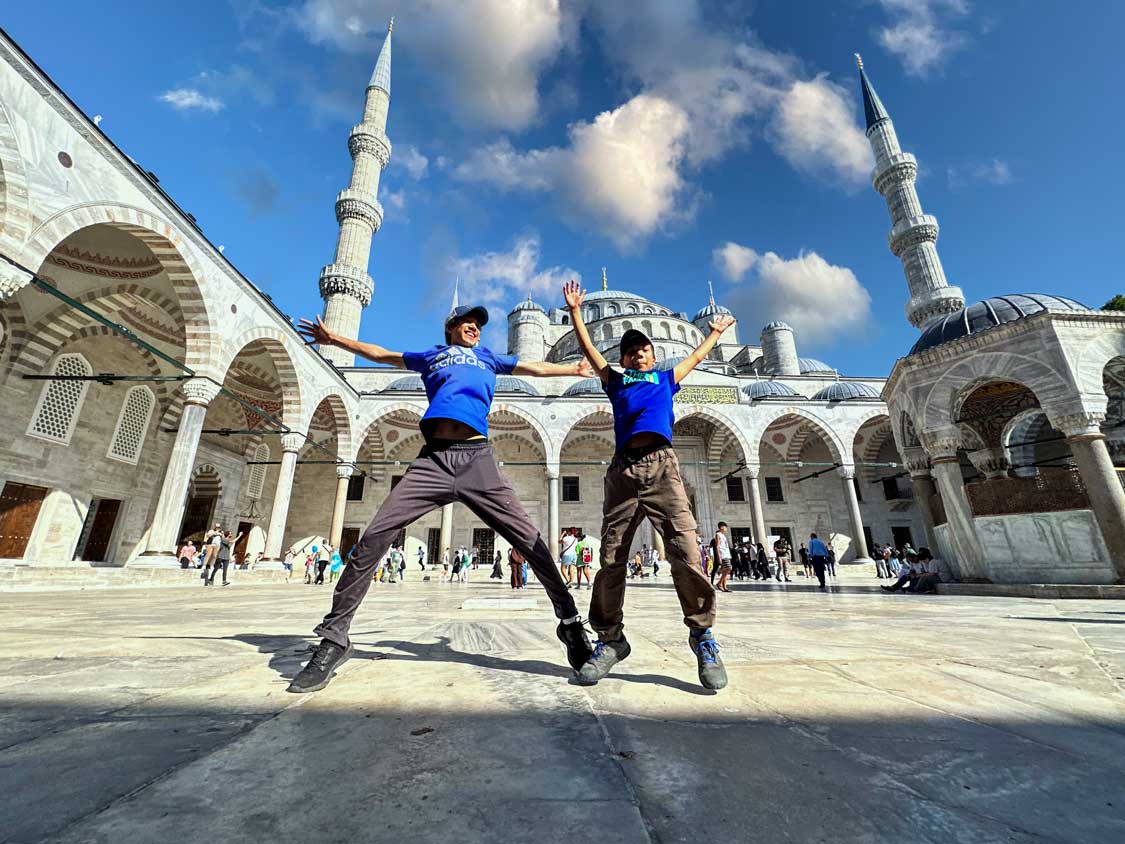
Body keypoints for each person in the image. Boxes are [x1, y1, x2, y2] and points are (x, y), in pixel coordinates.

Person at [288, 307, 594, 693]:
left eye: (480, 325)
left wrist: (572, 371)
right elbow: (382, 355)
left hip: (477, 458)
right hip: (433, 459)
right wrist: (335, 340)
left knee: (532, 542)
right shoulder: (433, 355)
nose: (475, 328)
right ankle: (334, 638)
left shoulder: (488, 358)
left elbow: (534, 369)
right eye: (468, 321)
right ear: (450, 327)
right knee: (373, 539)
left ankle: (571, 627)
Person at [561, 280, 730, 690]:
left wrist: (715, 333)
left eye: (644, 349)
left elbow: (695, 358)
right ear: (624, 358)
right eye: (631, 351)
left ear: (653, 355)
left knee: (687, 551)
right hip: (623, 469)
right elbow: (589, 350)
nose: (638, 354)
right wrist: (576, 313)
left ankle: (703, 635)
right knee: (611, 557)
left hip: (662, 467)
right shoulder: (616, 381)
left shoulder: (667, 377)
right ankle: (611, 639)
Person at [714, 522, 733, 593]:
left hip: (727, 554)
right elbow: (717, 546)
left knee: (725, 571)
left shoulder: (723, 535)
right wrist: (719, 557)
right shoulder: (718, 535)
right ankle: (719, 583)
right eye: (725, 527)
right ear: (721, 527)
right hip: (723, 555)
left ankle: (724, 587)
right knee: (729, 568)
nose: (726, 529)